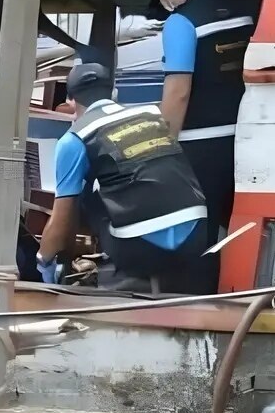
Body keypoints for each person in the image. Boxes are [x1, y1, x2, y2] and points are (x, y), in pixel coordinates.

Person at [36, 63, 213, 294]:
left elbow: (61, 222)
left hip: (143, 249)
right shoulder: (151, 114)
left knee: (87, 197)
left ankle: (121, 277)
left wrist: (44, 261)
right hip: (198, 234)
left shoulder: (74, 139)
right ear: (114, 92)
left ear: (70, 101)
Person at [148, 0, 254, 292]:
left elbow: (178, 91)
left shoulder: (181, 22)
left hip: (200, 144)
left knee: (196, 229)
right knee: (233, 221)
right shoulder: (241, 11)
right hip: (242, 135)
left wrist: (165, 147)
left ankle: (193, 299)